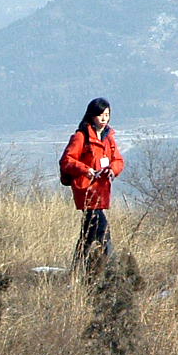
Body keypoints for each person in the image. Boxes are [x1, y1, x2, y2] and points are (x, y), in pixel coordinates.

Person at [59, 97, 125, 265]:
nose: (104, 118)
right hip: (86, 190)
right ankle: (112, 266)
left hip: (101, 190)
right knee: (102, 229)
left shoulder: (108, 138)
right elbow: (67, 160)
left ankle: (78, 267)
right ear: (92, 115)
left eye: (107, 115)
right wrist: (85, 169)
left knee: (88, 234)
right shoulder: (81, 137)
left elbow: (118, 160)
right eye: (100, 115)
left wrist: (112, 170)